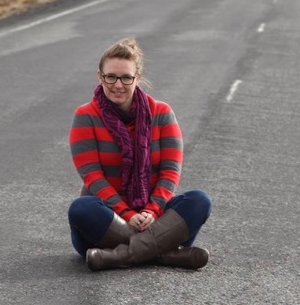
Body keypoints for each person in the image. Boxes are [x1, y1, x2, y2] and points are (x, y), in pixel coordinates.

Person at [68, 37, 212, 271]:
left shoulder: (161, 113)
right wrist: (125, 212)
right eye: (111, 76)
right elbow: (92, 177)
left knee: (199, 201)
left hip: (154, 217)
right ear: (99, 76)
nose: (118, 85)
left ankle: (117, 256)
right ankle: (166, 254)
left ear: (137, 78)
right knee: (81, 209)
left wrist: (152, 210)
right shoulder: (86, 115)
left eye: (126, 77)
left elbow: (170, 172)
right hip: (107, 220)